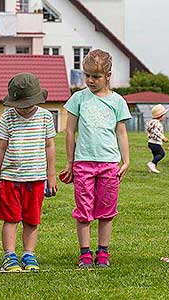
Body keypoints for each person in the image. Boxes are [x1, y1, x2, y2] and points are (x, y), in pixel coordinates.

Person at [60, 49, 130, 268]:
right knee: (84, 210)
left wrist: (125, 160)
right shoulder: (78, 99)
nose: (90, 80)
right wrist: (70, 162)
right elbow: (70, 131)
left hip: (109, 163)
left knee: (106, 210)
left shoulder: (117, 101)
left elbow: (121, 132)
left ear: (108, 75)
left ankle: (103, 252)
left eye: (96, 76)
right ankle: (84, 253)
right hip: (83, 163)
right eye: (87, 75)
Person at [0, 73, 57, 272]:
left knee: (32, 220)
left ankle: (29, 254)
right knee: (11, 219)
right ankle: (9, 256)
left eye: (28, 103)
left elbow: (50, 146)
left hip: (36, 179)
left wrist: (50, 175)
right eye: (21, 104)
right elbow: (1, 148)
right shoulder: (7, 117)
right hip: (10, 179)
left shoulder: (45, 117)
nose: (24, 108)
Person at [146, 104, 169, 173]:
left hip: (150, 142)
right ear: (160, 116)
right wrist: (163, 137)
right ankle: (151, 164)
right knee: (162, 154)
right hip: (155, 143)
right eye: (164, 115)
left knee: (156, 155)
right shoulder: (157, 123)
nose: (165, 116)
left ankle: (152, 168)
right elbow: (156, 131)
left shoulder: (151, 122)